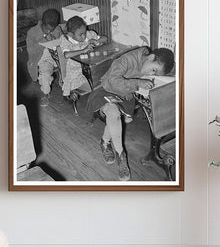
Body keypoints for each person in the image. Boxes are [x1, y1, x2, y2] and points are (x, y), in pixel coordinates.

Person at [87, 46, 175, 181]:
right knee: (113, 113)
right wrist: (139, 82)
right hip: (106, 89)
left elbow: (166, 69)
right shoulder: (127, 60)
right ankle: (121, 157)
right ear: (151, 58)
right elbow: (112, 81)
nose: (152, 73)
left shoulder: (148, 60)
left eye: (155, 73)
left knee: (115, 117)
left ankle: (104, 142)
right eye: (153, 70)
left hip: (125, 95)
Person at [60, 16, 107, 98]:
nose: (84, 36)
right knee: (99, 84)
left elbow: (105, 38)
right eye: (80, 34)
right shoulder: (65, 39)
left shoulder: (89, 34)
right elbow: (66, 54)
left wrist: (96, 41)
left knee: (105, 79)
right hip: (76, 73)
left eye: (84, 32)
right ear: (71, 34)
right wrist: (83, 50)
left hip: (91, 68)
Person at [26, 9, 65, 105]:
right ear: (42, 23)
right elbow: (30, 51)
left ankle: (69, 90)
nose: (49, 31)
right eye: (47, 29)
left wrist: (55, 40)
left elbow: (63, 42)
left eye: (51, 29)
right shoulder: (33, 32)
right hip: (41, 59)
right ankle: (46, 94)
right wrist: (42, 42)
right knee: (45, 75)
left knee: (71, 64)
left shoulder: (57, 29)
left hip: (56, 56)